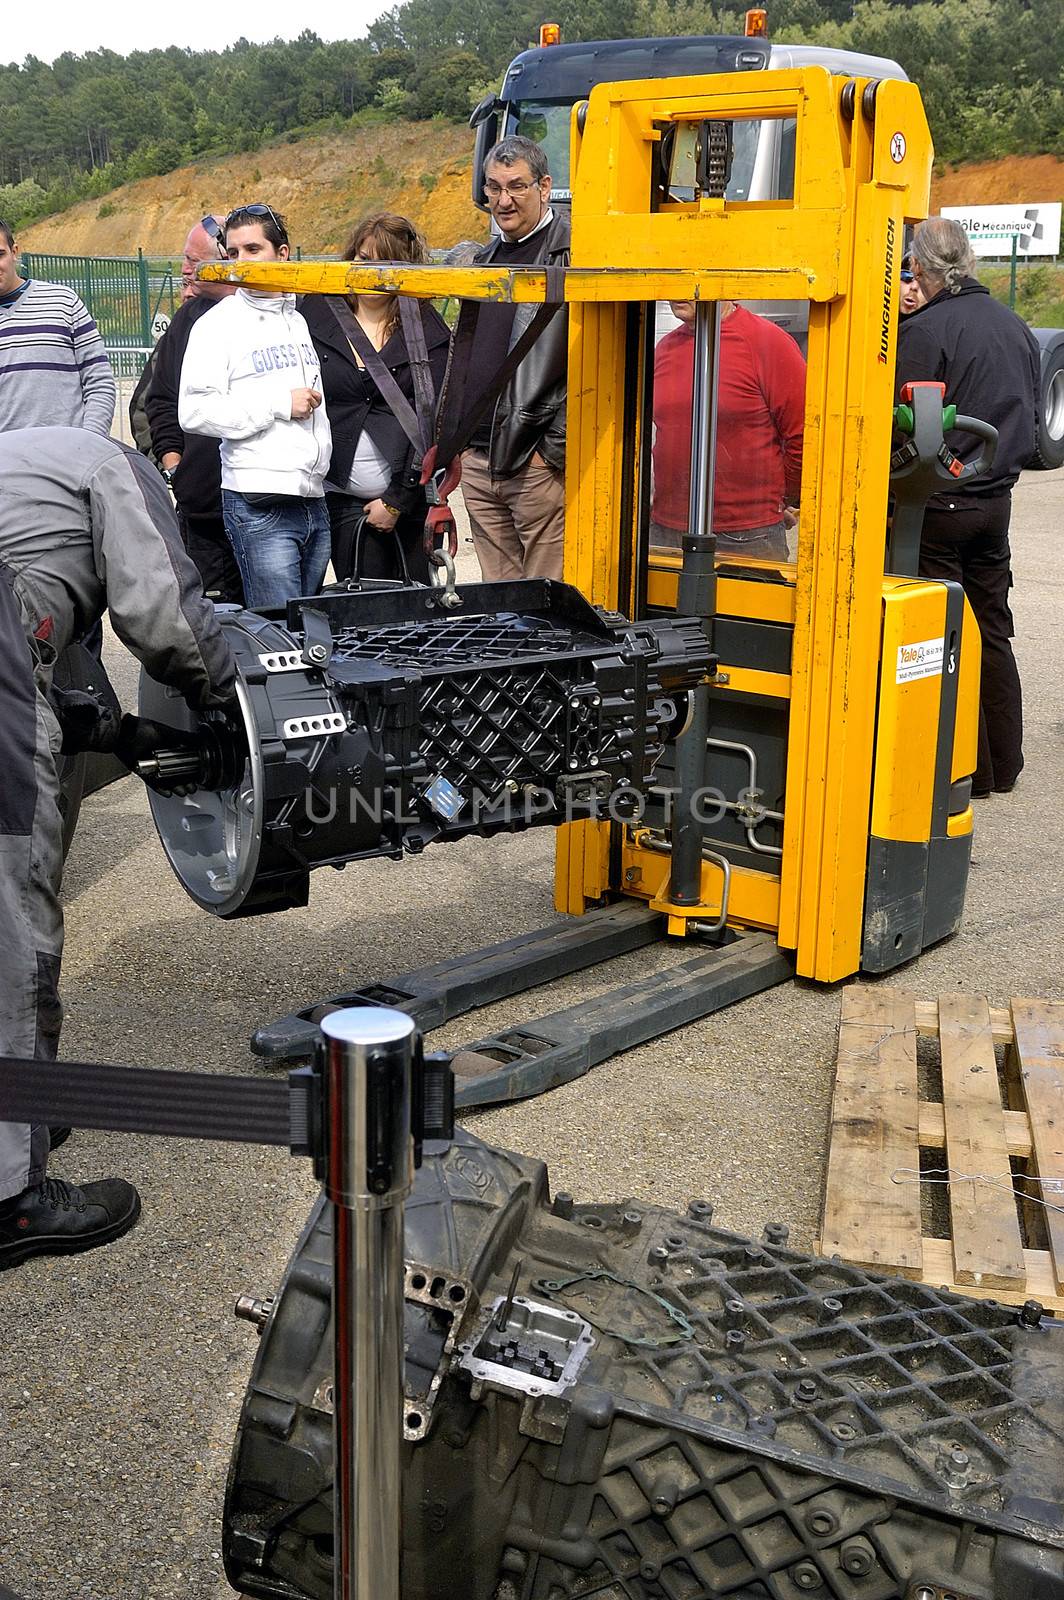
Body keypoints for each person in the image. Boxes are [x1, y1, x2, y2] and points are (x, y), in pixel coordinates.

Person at [0, 427, 236, 1271]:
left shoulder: (29, 460)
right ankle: (12, 1199)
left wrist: (117, 730)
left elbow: (46, 643)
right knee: (11, 927)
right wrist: (229, 698)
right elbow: (163, 613)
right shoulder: (120, 470)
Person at [896, 216, 1040, 798]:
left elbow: (899, 423)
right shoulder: (1015, 326)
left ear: (923, 271)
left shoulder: (927, 331)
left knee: (947, 636)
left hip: (938, 505)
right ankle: (1005, 763)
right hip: (995, 503)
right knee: (994, 630)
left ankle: (968, 772)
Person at [178, 203, 332, 608]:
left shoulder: (297, 318)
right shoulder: (217, 324)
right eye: (233, 253)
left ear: (282, 254)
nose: (241, 262)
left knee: (308, 631)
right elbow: (193, 412)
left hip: (314, 499)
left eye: (252, 249)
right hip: (259, 500)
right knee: (283, 636)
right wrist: (279, 404)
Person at [301, 213, 450, 584]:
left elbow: (432, 421)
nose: (370, 271)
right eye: (363, 259)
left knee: (416, 607)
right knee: (359, 605)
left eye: (383, 262)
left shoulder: (427, 330)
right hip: (337, 496)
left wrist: (397, 500)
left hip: (409, 498)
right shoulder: (315, 314)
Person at [448, 136, 570, 581]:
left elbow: (596, 365)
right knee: (500, 601)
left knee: (547, 598)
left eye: (516, 186)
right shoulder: (485, 259)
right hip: (480, 461)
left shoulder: (572, 255)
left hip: (533, 462)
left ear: (544, 186)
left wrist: (552, 452)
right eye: (494, 188)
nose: (503, 200)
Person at [650, 300, 806, 560]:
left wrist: (777, 498)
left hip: (747, 537)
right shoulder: (665, 348)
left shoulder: (767, 342)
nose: (675, 291)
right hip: (667, 530)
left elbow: (803, 436)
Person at [142, 215, 245, 603]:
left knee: (275, 627)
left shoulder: (284, 315)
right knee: (213, 626)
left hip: (270, 508)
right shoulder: (189, 319)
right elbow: (159, 398)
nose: (185, 270)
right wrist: (175, 464)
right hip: (205, 514)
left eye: (193, 260)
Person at [0, 219, 116, 437]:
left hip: (68, 461)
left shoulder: (63, 301)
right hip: (7, 466)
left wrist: (90, 443)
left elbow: (99, 381)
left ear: (15, 252)